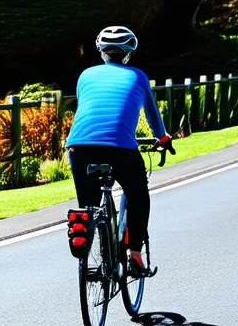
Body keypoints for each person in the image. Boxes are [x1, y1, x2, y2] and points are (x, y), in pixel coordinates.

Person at [66, 26, 175, 271]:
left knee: (90, 205)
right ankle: (135, 255)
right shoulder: (138, 76)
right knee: (138, 196)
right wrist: (163, 139)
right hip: (120, 148)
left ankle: (82, 222)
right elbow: (153, 116)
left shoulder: (85, 75)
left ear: (101, 52)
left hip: (79, 146)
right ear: (128, 53)